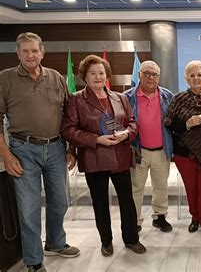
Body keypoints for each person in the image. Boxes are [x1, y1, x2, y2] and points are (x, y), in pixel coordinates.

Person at [0, 32, 79, 272]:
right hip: (23, 150)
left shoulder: (55, 77)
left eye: (34, 50)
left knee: (60, 202)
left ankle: (55, 242)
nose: (30, 55)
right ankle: (34, 260)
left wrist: (71, 148)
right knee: (29, 209)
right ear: (18, 53)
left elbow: (69, 116)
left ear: (42, 52)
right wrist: (6, 155)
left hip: (55, 148)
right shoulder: (5, 79)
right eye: (25, 51)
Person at [61, 55, 146, 257]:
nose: (98, 77)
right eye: (93, 74)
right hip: (94, 157)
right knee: (100, 203)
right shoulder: (76, 99)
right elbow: (68, 130)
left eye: (101, 73)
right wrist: (97, 140)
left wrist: (126, 133)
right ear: (85, 76)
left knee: (127, 201)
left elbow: (133, 123)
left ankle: (132, 239)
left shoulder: (121, 98)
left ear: (107, 75)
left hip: (121, 156)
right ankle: (106, 241)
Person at [165, 60, 201, 238]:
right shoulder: (178, 98)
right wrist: (187, 124)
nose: (196, 78)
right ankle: (195, 218)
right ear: (186, 79)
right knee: (191, 189)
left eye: (199, 75)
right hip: (184, 153)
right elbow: (168, 123)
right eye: (192, 75)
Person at [124, 60, 174, 233]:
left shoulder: (168, 96)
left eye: (155, 74)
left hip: (162, 150)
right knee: (136, 188)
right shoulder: (127, 97)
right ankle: (135, 220)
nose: (151, 77)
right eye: (147, 74)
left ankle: (160, 217)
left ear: (159, 77)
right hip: (138, 151)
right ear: (139, 75)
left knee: (161, 186)